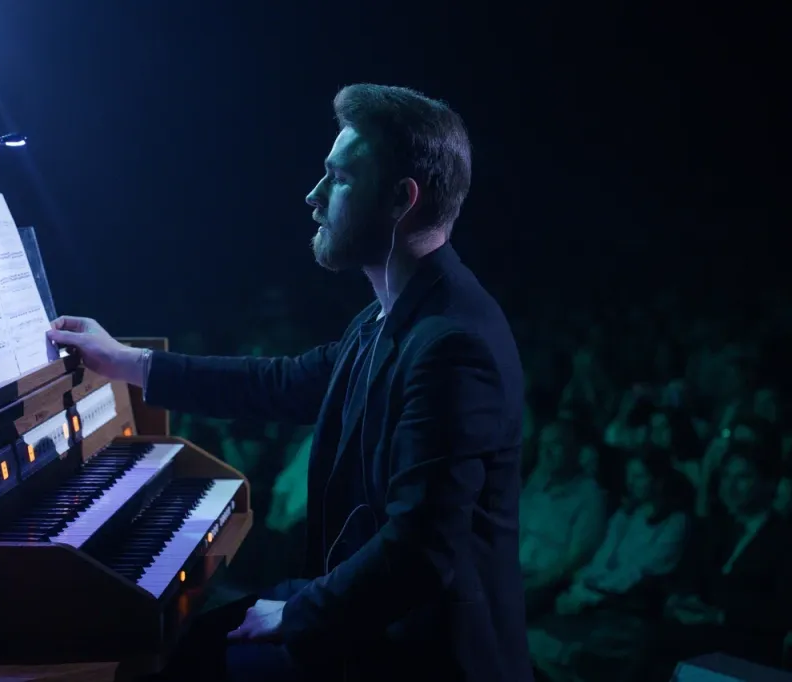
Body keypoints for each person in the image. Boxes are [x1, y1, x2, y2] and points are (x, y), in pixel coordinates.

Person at [47, 84, 531, 682]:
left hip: (420, 653)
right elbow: (280, 383)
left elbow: (421, 551)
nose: (314, 195)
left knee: (185, 657)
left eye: (340, 178)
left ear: (401, 200)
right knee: (185, 638)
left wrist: (299, 612)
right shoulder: (389, 317)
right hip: (379, 619)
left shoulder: (451, 344)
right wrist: (128, 362)